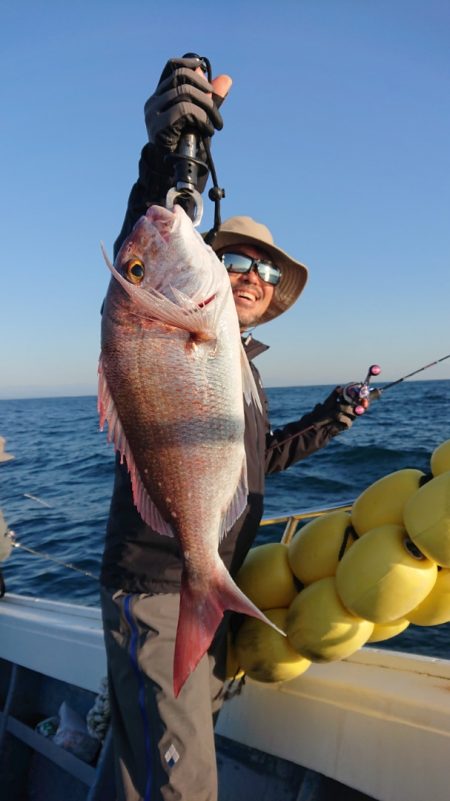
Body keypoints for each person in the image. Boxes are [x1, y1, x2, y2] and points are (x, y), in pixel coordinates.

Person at [100, 56, 367, 801]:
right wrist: (167, 153)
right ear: (209, 266)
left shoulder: (237, 366)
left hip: (199, 582)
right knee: (182, 784)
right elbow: (141, 257)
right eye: (239, 259)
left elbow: (253, 466)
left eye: (268, 271)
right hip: (156, 583)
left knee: (136, 767)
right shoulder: (158, 315)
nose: (253, 275)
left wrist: (329, 419)